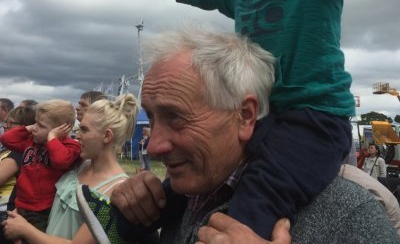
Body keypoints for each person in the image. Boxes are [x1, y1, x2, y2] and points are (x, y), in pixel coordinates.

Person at [145, 0, 400, 238]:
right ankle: (147, 215)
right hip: (264, 114)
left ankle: (245, 229)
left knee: (266, 185)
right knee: (203, 174)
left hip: (312, 116)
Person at [76, 27, 399, 244]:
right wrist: (137, 225)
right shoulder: (187, 194)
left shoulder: (349, 216)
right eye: (153, 118)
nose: (156, 146)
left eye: (176, 118)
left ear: (245, 115)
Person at [2, 94, 158, 244]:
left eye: (84, 129)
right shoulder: (78, 164)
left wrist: (25, 230)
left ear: (107, 136)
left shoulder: (117, 190)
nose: (77, 135)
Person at [0, 99, 81, 232]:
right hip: (21, 203)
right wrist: (28, 128)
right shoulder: (31, 141)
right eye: (35, 123)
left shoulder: (70, 146)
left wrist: (52, 138)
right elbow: (6, 139)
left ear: (62, 129)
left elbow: (61, 161)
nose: (35, 128)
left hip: (44, 209)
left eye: (41, 126)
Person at [0, 106, 37, 244]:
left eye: (10, 123)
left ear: (24, 127)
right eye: (6, 122)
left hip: (5, 213)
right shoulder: (9, 150)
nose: (5, 125)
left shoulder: (19, 153)